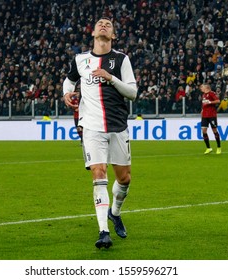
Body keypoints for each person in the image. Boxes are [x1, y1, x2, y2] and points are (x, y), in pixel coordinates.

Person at [63, 17, 138, 249]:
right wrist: (67, 93)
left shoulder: (121, 59)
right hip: (92, 126)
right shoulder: (80, 59)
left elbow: (133, 93)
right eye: (100, 24)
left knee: (124, 178)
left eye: (108, 25)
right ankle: (103, 231)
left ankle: (115, 213)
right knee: (98, 173)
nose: (104, 25)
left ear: (113, 35)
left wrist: (111, 78)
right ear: (93, 32)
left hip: (117, 125)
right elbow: (69, 80)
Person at [200, 83, 221, 154]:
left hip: (212, 115)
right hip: (204, 115)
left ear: (206, 88)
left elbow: (218, 101)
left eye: (202, 87)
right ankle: (208, 148)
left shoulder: (211, 93)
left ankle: (218, 147)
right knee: (204, 131)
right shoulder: (203, 95)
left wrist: (210, 102)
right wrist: (202, 110)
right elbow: (204, 104)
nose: (201, 88)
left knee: (214, 131)